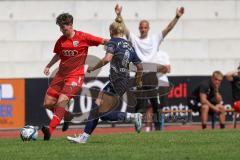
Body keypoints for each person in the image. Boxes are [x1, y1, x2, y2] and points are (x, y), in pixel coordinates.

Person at [66, 15, 143, 143]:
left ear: (111, 32)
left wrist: (93, 68)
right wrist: (139, 80)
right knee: (96, 110)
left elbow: (107, 59)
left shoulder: (113, 42)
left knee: (102, 113)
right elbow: (140, 66)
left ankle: (133, 116)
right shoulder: (129, 45)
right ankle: (83, 138)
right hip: (121, 80)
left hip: (116, 80)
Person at [114, 4, 184, 131]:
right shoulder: (134, 40)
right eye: (141, 27)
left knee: (155, 105)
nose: (143, 29)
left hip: (151, 75)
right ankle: (138, 130)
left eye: (145, 27)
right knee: (139, 106)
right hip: (139, 75)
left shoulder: (155, 39)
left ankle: (158, 130)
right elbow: (125, 29)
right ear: (139, 28)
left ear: (148, 28)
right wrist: (118, 14)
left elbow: (168, 28)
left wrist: (177, 17)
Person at [41, 13, 108, 140]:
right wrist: (49, 66)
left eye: (63, 28)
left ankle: (49, 131)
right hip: (60, 76)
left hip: (75, 77)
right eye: (60, 28)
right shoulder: (61, 41)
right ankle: (67, 116)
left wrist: (116, 43)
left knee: (61, 102)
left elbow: (102, 40)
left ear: (71, 25)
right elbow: (58, 54)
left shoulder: (83, 37)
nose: (61, 30)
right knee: (48, 103)